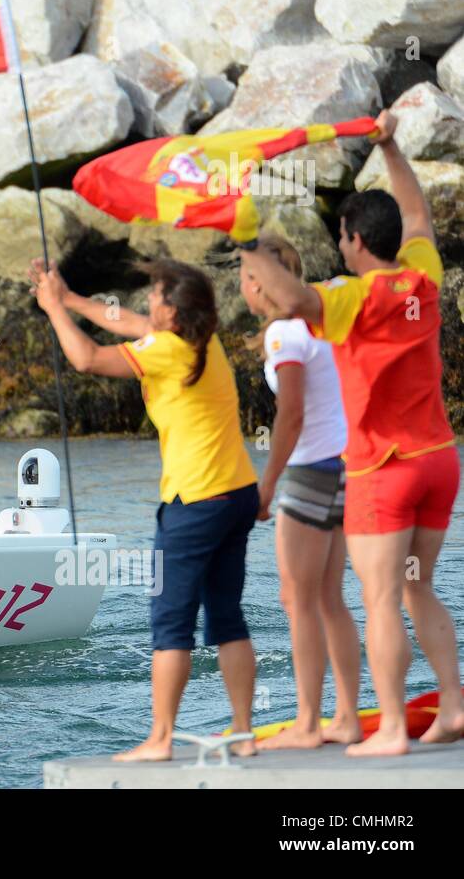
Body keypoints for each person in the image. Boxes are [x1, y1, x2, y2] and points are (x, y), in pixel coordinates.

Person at [239, 110, 463, 756]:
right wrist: (390, 145)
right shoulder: (422, 275)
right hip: (440, 460)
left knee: (383, 596)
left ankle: (391, 728)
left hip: (383, 468)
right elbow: (416, 213)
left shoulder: (352, 301)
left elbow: (291, 297)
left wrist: (246, 241)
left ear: (356, 242)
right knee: (419, 583)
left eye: (342, 238)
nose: (339, 247)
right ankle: (450, 706)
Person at [30, 256, 259, 761]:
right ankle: (244, 733)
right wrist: (68, 297)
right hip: (238, 494)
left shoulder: (167, 351)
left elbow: (88, 358)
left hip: (195, 503)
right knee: (226, 616)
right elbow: (128, 322)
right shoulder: (204, 340)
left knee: (170, 620)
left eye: (156, 295)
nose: (146, 303)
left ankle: (159, 740)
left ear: (173, 311)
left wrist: (53, 311)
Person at [241, 233, 361, 749]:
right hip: (346, 466)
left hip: (311, 471)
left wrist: (266, 487)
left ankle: (309, 724)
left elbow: (290, 414)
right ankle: (347, 718)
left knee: (297, 600)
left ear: (258, 283)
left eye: (246, 278)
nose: (244, 288)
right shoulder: (322, 319)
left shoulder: (283, 335)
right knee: (330, 597)